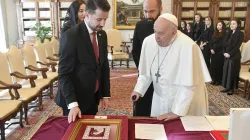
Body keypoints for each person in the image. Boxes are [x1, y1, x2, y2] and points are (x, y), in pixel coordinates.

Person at [131, 13, 211, 121]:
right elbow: (145, 73)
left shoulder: (188, 46)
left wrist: (176, 112)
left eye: (161, 33)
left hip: (184, 100)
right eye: (155, 31)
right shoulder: (148, 42)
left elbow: (188, 85)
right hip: (159, 98)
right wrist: (138, 90)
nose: (156, 37)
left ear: (174, 33)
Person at [55, 0, 111, 123]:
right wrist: (73, 104)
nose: (103, 24)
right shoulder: (71, 36)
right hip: (75, 98)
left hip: (92, 95)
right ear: (87, 15)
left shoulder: (102, 35)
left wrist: (105, 94)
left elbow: (104, 66)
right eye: (99, 19)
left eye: (105, 19)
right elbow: (64, 74)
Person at [131, 0, 162, 116]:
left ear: (160, 9)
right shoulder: (140, 25)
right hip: (144, 73)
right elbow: (135, 51)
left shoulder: (168, 25)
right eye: (145, 11)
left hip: (163, 76)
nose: (148, 15)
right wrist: (143, 69)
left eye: (152, 11)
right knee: (142, 108)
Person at [221, 19, 244, 95]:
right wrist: (224, 52)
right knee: (226, 71)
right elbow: (224, 43)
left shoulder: (240, 34)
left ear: (238, 25)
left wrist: (230, 54)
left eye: (234, 24)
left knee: (232, 72)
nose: (231, 25)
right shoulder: (229, 33)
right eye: (231, 24)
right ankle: (227, 87)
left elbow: (237, 46)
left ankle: (232, 89)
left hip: (234, 56)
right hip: (226, 55)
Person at [210, 21, 226, 86]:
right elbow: (211, 41)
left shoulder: (224, 33)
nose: (218, 26)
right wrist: (211, 48)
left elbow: (222, 43)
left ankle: (218, 80)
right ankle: (213, 79)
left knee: (218, 66)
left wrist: (215, 49)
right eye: (217, 25)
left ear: (222, 26)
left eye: (219, 25)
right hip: (213, 52)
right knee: (213, 66)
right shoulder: (215, 33)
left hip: (219, 52)